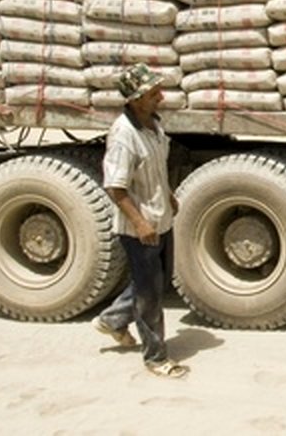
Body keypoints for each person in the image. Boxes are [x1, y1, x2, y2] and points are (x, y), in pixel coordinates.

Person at [91, 63, 188, 378]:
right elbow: (115, 188)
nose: (160, 96)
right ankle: (156, 358)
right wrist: (140, 223)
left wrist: (169, 194)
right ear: (134, 99)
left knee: (155, 283)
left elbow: (154, 170)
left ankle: (113, 319)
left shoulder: (154, 125)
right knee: (150, 295)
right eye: (152, 92)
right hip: (140, 228)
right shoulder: (124, 135)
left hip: (161, 218)